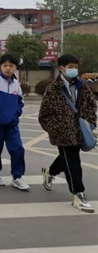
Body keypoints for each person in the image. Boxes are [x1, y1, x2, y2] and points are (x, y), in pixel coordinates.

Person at [39, 54, 97, 213]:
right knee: (73, 162)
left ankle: (50, 171)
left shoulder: (82, 85)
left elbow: (91, 105)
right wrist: (57, 129)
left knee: (67, 158)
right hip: (62, 133)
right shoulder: (53, 89)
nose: (74, 70)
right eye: (70, 67)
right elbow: (44, 115)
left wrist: (90, 123)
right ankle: (78, 193)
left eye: (76, 67)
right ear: (61, 68)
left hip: (79, 131)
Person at [0, 54, 29, 191]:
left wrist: (16, 114)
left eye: (11, 66)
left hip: (12, 125)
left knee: (18, 149)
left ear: (15, 68)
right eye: (5, 65)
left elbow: (20, 102)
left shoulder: (16, 84)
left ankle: (17, 177)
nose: (8, 68)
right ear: (1, 66)